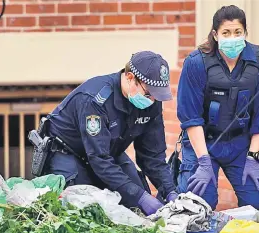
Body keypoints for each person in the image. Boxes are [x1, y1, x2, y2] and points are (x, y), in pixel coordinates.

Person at [44, 51, 178, 215]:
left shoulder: (150, 102)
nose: (152, 101)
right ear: (130, 78)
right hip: (67, 153)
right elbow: (99, 158)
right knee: (85, 209)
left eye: (156, 96)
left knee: (137, 204)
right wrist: (138, 196)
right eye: (148, 94)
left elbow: (153, 156)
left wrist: (170, 190)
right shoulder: (95, 100)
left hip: (108, 152)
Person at [176, 5, 259, 212]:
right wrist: (204, 162)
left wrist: (253, 157)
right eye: (226, 32)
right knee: (196, 203)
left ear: (245, 33)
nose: (232, 37)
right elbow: (191, 117)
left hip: (240, 144)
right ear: (215, 34)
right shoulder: (196, 63)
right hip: (203, 144)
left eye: (237, 32)